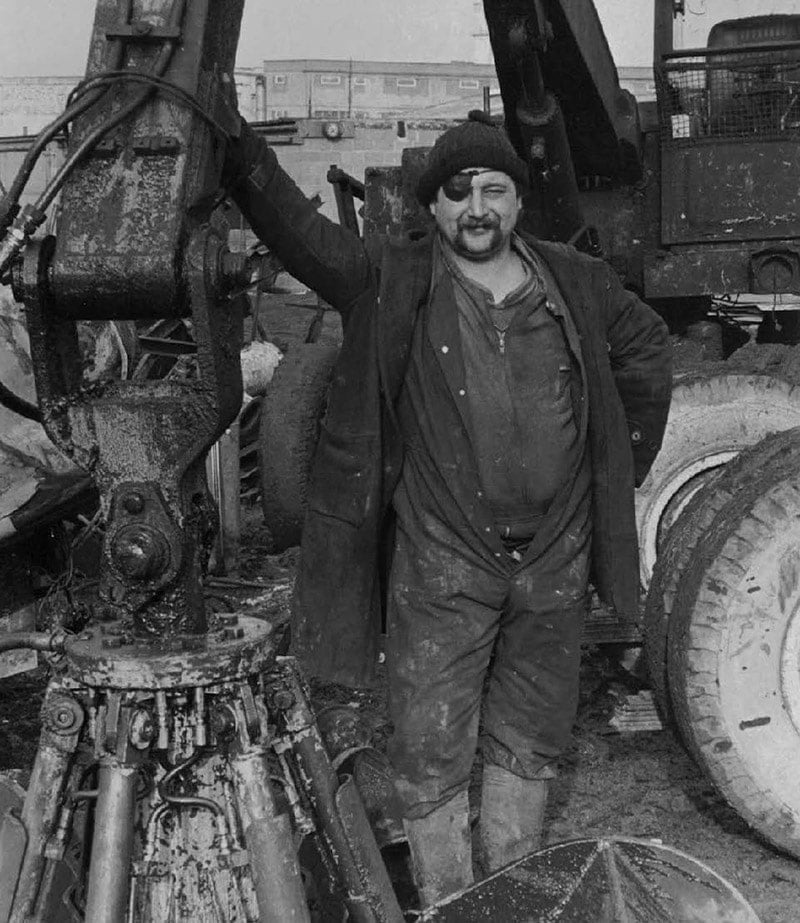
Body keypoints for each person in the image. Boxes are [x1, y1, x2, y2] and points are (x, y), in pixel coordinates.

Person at [223, 109, 672, 907]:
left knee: (532, 738)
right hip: (444, 559)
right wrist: (236, 145)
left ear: (518, 202)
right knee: (430, 745)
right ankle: (445, 899)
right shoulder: (393, 279)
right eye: (458, 192)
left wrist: (616, 463)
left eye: (493, 190)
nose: (476, 208)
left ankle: (505, 893)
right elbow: (298, 233)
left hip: (554, 561)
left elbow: (647, 348)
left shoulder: (576, 280)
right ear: (431, 207)